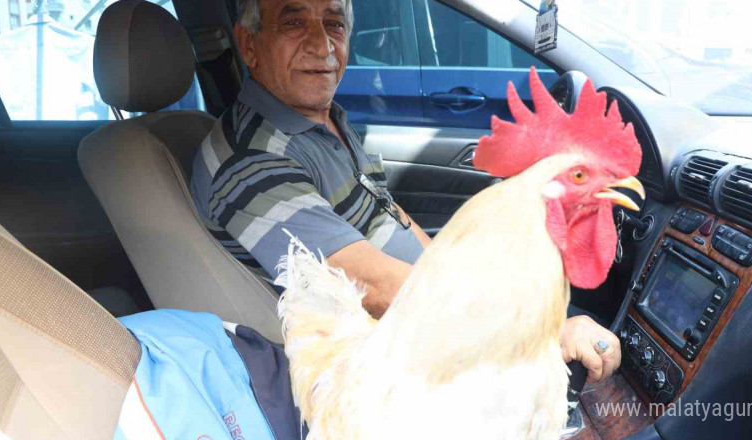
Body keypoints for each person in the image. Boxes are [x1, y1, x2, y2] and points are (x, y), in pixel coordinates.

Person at [189, 0, 620, 383]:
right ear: (249, 45)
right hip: (385, 362)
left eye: (334, 24)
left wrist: (453, 272)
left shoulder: (318, 120)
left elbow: (387, 213)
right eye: (293, 22)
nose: (322, 46)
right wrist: (536, 334)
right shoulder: (251, 161)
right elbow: (372, 289)